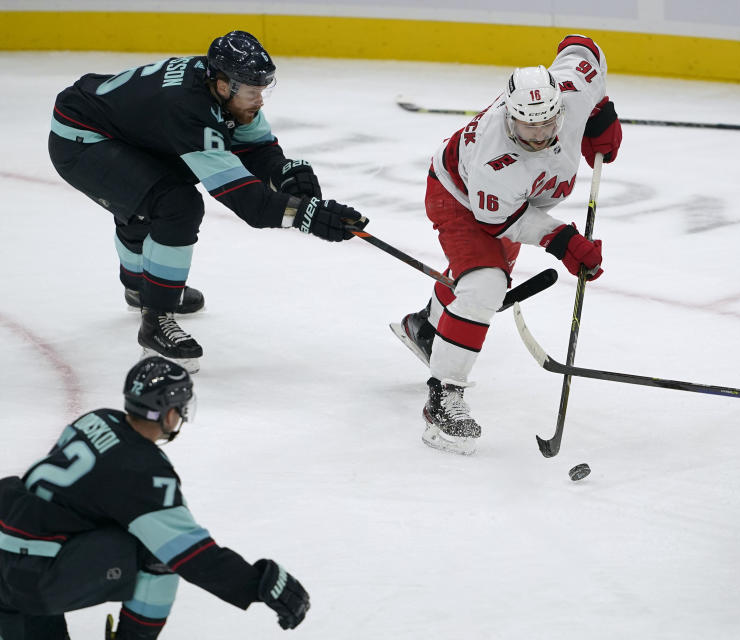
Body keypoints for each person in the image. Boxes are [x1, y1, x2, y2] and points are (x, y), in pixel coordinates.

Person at [48, 30, 367, 372]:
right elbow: (250, 204)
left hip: (122, 132)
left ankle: (142, 288)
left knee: (157, 193)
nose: (258, 100)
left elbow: (255, 148)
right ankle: (155, 323)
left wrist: (284, 172)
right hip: (81, 141)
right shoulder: (188, 109)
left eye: (262, 90)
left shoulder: (222, 88)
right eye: (251, 91)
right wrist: (308, 215)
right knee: (175, 204)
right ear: (222, 83)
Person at [389, 34, 622, 455]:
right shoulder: (494, 160)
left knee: (477, 282)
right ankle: (443, 398)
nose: (537, 135)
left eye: (547, 125)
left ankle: (427, 329)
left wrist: (600, 111)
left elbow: (581, 46)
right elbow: (502, 221)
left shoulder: (571, 90)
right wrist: (563, 240)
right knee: (484, 286)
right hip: (460, 197)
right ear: (509, 117)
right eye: (526, 127)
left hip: (518, 199)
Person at [0, 357, 309, 639]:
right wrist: (258, 584)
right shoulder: (143, 472)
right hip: (30, 579)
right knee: (159, 553)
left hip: (10, 555)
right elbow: (192, 555)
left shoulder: (96, 419)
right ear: (170, 412)